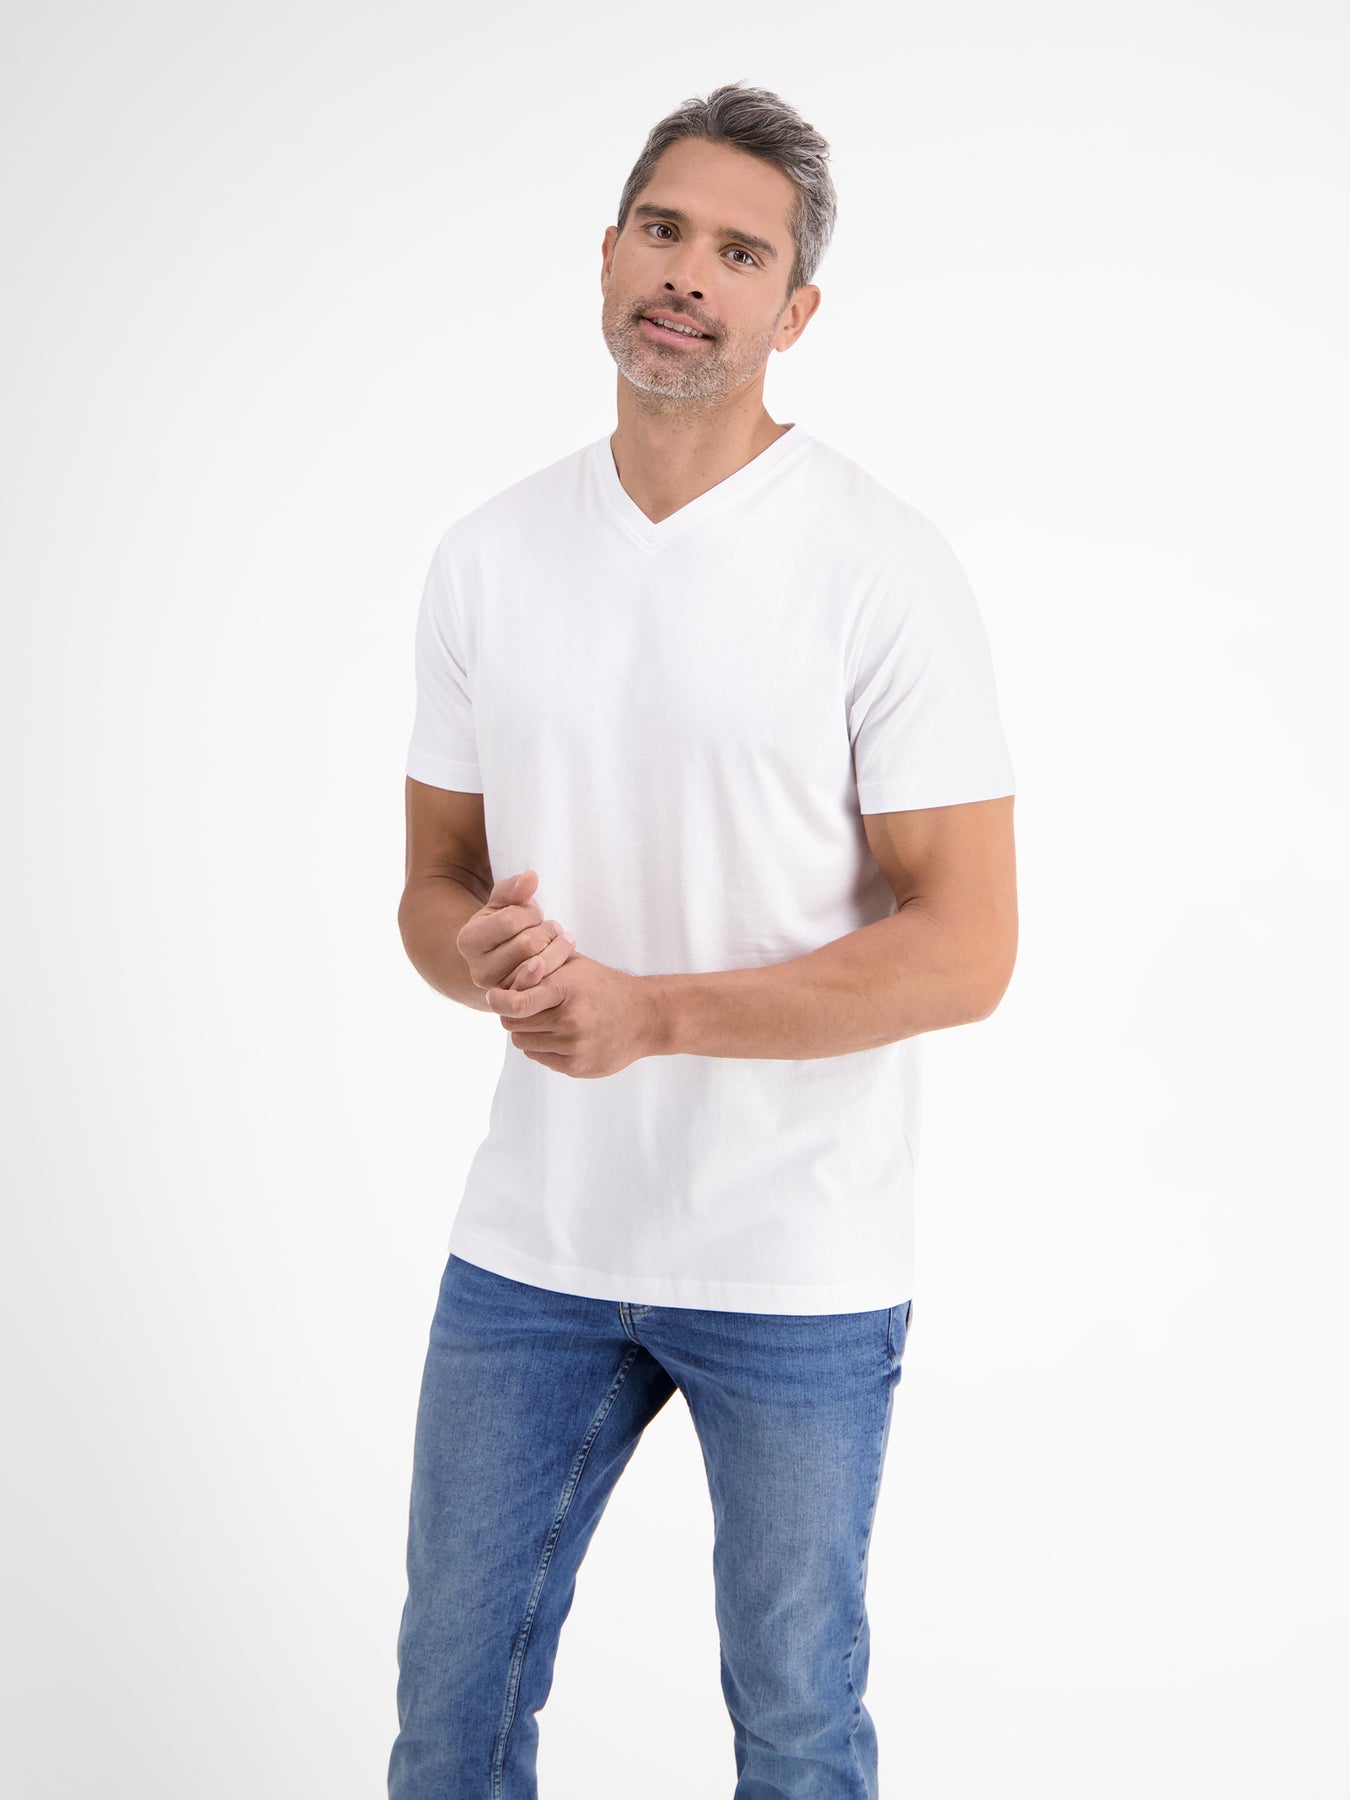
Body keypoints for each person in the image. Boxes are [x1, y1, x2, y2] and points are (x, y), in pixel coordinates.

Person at [388, 79, 1018, 1800]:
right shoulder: (487, 557)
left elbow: (967, 949)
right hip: (533, 1241)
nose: (686, 272)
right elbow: (433, 884)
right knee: (449, 1713)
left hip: (794, 1256)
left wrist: (650, 1017)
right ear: (606, 253)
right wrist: (479, 958)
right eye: (662, 230)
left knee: (795, 1725)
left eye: (739, 253)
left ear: (792, 312)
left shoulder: (880, 566)